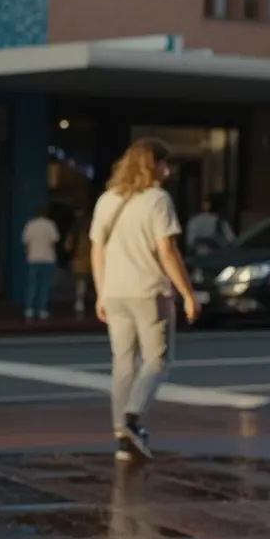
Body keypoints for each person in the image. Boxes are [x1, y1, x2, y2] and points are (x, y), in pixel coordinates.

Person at [90, 137, 199, 462]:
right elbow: (167, 250)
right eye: (165, 163)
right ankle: (133, 418)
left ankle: (122, 437)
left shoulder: (107, 199)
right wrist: (188, 294)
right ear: (155, 165)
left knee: (122, 362)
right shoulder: (157, 200)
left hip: (115, 292)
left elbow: (98, 249)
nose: (168, 170)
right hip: (150, 291)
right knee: (157, 361)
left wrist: (101, 291)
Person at [22, 206, 60, 320]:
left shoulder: (30, 225)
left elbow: (26, 242)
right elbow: (54, 241)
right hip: (47, 258)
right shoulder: (50, 225)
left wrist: (28, 254)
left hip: (33, 258)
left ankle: (29, 309)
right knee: (45, 285)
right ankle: (43, 309)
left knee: (32, 285)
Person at [66, 209, 92, 314]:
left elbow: (67, 247)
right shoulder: (90, 235)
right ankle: (80, 301)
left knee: (80, 283)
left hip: (77, 262)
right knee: (83, 283)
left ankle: (79, 301)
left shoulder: (75, 235)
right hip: (90, 263)